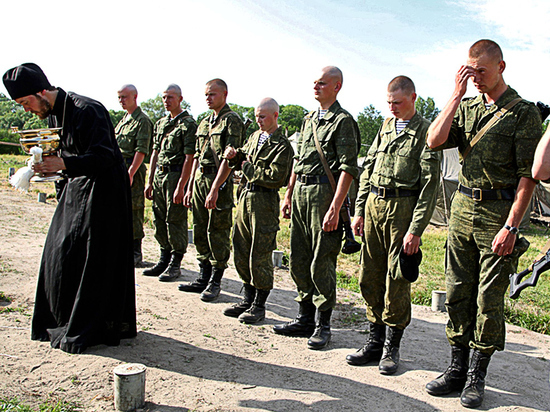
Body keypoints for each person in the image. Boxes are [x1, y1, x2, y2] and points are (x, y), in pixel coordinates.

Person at [424, 40, 542, 408]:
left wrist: (512, 226)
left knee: (487, 300)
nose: (475, 77)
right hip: (461, 208)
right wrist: (456, 95)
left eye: (482, 71)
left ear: (501, 66)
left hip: (498, 214)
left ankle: (477, 375)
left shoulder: (523, 113)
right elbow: (434, 140)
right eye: (469, 71)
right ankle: (457, 368)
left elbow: (529, 177)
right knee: (457, 290)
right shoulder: (467, 106)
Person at [3, 63, 136, 354]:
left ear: (41, 92)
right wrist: (48, 171)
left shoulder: (88, 109)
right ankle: (62, 318)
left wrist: (63, 164)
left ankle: (95, 326)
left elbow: (103, 156)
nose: (26, 110)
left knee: (95, 258)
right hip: (76, 188)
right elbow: (63, 155)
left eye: (26, 103)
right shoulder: (52, 115)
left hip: (105, 192)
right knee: (58, 251)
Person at [345, 76, 441, 374]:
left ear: (413, 97)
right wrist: (359, 210)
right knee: (367, 276)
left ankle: (391, 346)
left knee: (396, 280)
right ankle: (374, 340)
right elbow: (368, 169)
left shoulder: (426, 131)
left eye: (397, 102)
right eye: (388, 102)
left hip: (402, 209)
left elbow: (429, 187)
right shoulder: (386, 127)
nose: (392, 107)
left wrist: (415, 229)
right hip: (374, 206)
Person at [272, 66, 359, 350]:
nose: (316, 87)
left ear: (337, 87)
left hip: (324, 194)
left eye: (322, 83)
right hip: (301, 193)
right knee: (299, 255)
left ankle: (323, 324)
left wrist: (335, 207)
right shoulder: (308, 119)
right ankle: (304, 317)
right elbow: (299, 161)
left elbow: (348, 168)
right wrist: (288, 195)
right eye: (314, 83)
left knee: (322, 260)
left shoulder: (343, 121)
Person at [223, 98, 293, 324]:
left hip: (264, 200)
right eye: (256, 116)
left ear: (275, 116)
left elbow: (275, 177)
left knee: (259, 253)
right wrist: (235, 155)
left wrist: (246, 166)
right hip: (245, 196)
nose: (258, 120)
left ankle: (259, 304)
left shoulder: (282, 145)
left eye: (263, 116)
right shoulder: (254, 137)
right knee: (241, 247)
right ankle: (247, 297)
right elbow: (243, 156)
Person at [179, 79, 244, 302]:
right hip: (200, 178)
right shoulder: (205, 122)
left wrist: (215, 187)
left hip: (219, 179)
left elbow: (229, 157)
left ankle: (216, 280)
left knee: (217, 229)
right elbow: (197, 156)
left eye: (213, 94)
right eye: (206, 94)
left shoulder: (232, 121)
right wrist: (189, 186)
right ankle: (203, 275)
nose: (208, 98)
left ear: (224, 94)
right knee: (199, 226)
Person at [143, 84, 196, 282]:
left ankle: (176, 262)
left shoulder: (188, 124)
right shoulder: (161, 123)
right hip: (159, 176)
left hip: (175, 175)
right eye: (164, 97)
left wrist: (182, 186)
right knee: (158, 218)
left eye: (171, 97)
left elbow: (189, 157)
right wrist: (149, 181)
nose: (167, 101)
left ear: (180, 99)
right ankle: (164, 257)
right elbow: (155, 153)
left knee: (175, 219)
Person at [115, 84, 153, 267]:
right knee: (120, 210)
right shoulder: (124, 120)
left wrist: (130, 173)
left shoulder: (142, 121)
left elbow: (141, 150)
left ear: (134, 96)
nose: (121, 101)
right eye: (119, 97)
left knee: (134, 210)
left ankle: (136, 252)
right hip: (119, 168)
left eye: (124, 97)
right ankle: (123, 248)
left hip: (133, 171)